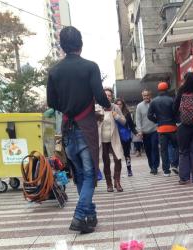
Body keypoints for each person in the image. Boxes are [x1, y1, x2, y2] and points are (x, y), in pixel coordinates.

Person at [47, 26, 110, 234]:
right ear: (80, 44)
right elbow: (100, 96)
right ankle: (79, 215)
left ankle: (90, 217)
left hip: (67, 128)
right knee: (90, 173)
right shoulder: (90, 67)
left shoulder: (54, 71)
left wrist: (67, 108)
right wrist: (107, 105)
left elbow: (51, 101)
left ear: (62, 46)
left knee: (80, 175)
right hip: (86, 127)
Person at [147, 82, 179, 177]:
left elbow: (149, 115)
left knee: (163, 150)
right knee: (177, 146)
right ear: (167, 89)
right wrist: (175, 120)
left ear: (158, 89)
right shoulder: (171, 100)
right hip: (172, 128)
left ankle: (166, 171)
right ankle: (174, 164)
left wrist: (157, 121)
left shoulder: (154, 101)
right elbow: (176, 113)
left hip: (161, 129)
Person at [98, 88, 125, 193]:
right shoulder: (97, 107)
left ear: (111, 97)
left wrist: (116, 116)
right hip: (102, 140)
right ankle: (109, 184)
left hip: (114, 138)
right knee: (106, 162)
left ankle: (117, 182)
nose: (107, 97)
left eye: (109, 95)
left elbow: (124, 121)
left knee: (118, 159)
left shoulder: (116, 107)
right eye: (106, 95)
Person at [136, 89, 159, 174]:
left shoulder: (155, 103)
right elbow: (138, 120)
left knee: (154, 148)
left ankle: (155, 167)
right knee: (148, 150)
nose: (146, 97)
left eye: (147, 95)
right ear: (142, 96)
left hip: (155, 130)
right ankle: (151, 166)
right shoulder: (139, 106)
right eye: (144, 95)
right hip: (145, 132)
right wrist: (140, 131)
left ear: (150, 95)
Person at [115, 97, 137, 176]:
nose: (119, 106)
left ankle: (129, 169)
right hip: (116, 136)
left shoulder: (127, 113)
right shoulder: (113, 113)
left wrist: (136, 132)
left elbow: (131, 125)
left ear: (123, 105)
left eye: (120, 104)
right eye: (117, 104)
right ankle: (117, 172)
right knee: (117, 156)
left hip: (125, 136)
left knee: (127, 154)